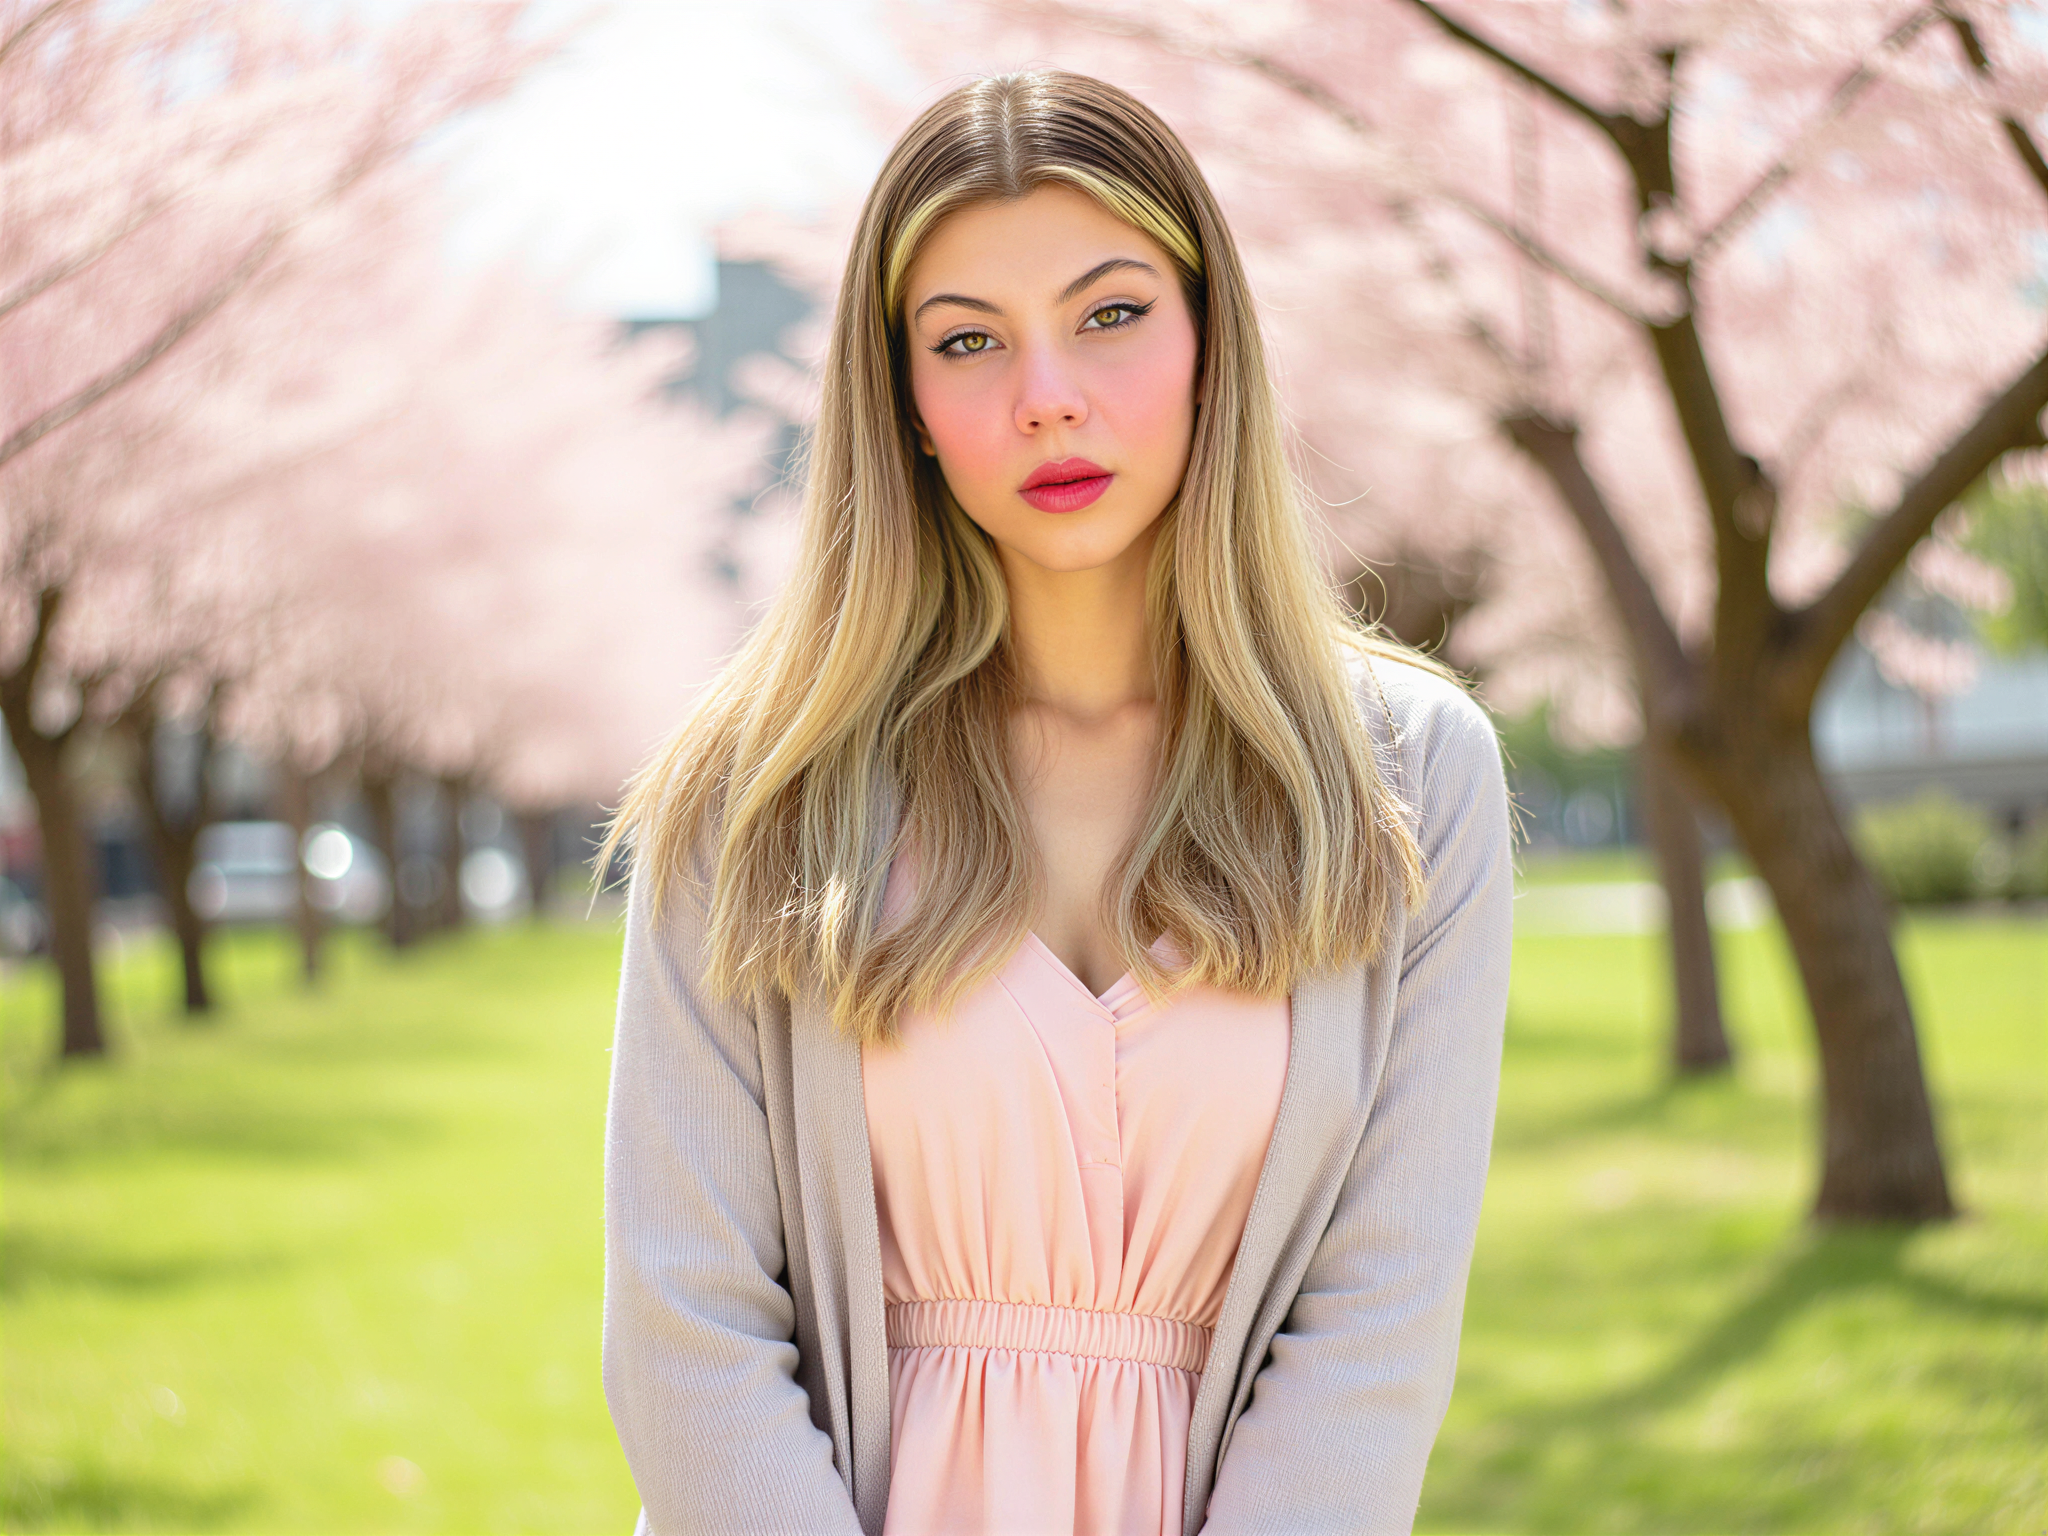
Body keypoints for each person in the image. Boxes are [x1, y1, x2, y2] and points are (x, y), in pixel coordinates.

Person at [597, 70, 1511, 1536]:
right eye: (969, 342)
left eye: (1111, 313)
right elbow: (684, 1327)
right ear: (902, 404)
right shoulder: (757, 790)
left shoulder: (1407, 774)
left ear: (1213, 341)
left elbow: (1379, 1322)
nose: (1049, 398)